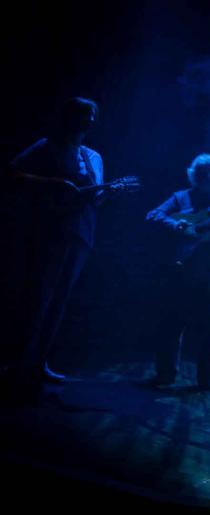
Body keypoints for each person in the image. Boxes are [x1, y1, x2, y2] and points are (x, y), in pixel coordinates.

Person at [4, 97, 104, 390]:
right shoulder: (48, 145)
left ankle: (38, 363)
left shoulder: (94, 156)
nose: (90, 120)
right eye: (85, 114)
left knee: (59, 300)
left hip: (82, 233)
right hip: (50, 231)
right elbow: (13, 171)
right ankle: (16, 362)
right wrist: (53, 184)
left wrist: (103, 193)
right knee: (38, 298)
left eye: (93, 116)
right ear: (71, 116)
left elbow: (96, 198)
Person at [146, 154, 210, 393]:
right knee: (171, 322)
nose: (207, 177)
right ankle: (165, 373)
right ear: (194, 175)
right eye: (202, 173)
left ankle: (207, 377)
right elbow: (153, 215)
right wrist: (178, 225)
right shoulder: (180, 198)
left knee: (209, 326)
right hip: (179, 267)